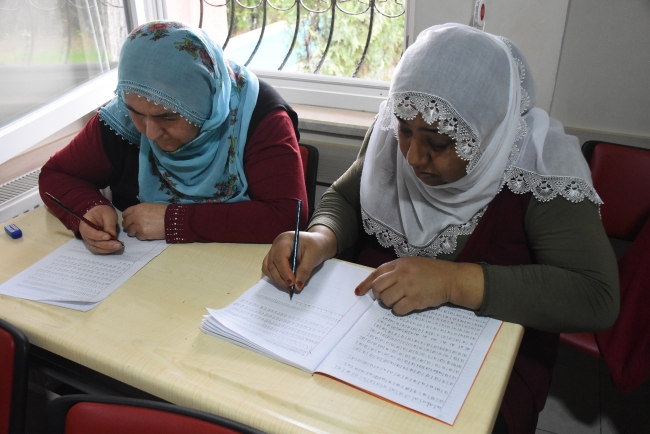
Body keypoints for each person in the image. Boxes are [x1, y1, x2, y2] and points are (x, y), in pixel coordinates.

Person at [262, 24, 619, 433]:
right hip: (365, 336)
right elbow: (345, 198)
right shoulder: (395, 135)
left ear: (486, 133)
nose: (413, 157)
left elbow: (597, 296)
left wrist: (455, 282)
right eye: (405, 132)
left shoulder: (537, 172)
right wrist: (320, 237)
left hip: (479, 364)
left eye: (438, 142)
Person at [39, 21, 307, 253]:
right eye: (136, 112)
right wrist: (88, 208)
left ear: (206, 103)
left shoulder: (259, 117)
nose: (150, 132)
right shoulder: (121, 117)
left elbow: (288, 217)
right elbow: (56, 175)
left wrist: (175, 221)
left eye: (167, 117)